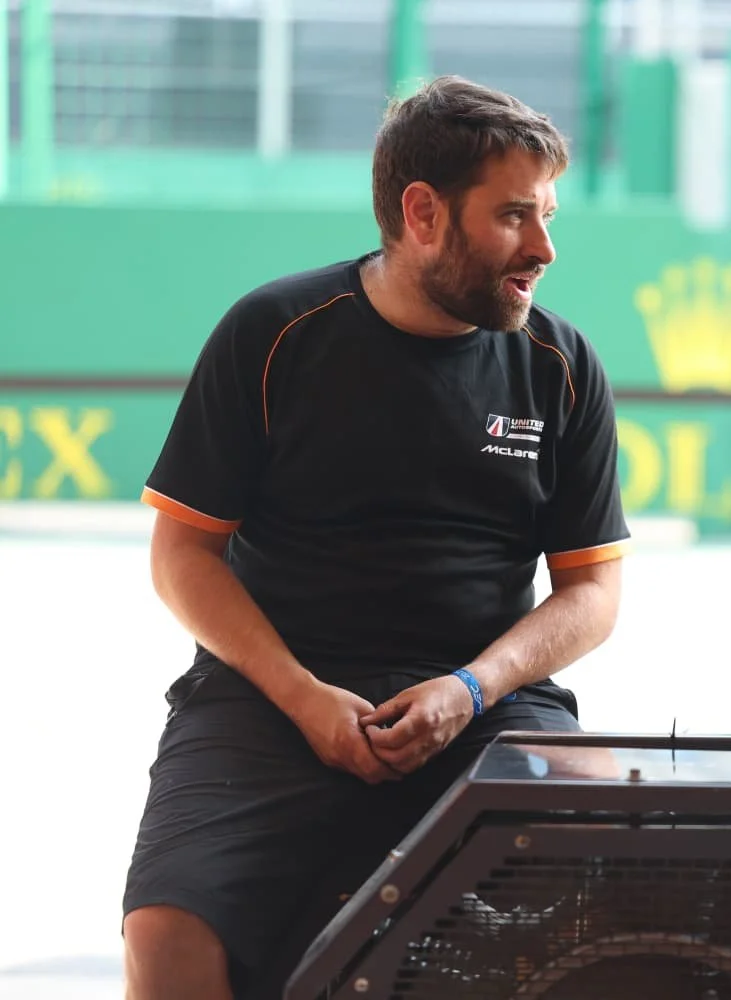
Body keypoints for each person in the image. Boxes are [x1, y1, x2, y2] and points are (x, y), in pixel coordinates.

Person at [121, 76, 630, 1000]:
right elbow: (182, 556)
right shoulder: (274, 333)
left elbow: (592, 596)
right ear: (423, 212)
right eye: (516, 216)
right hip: (269, 696)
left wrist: (471, 689)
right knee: (168, 938)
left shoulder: (560, 366)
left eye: (549, 216)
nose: (545, 248)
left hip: (488, 700)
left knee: (617, 887)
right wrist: (304, 696)